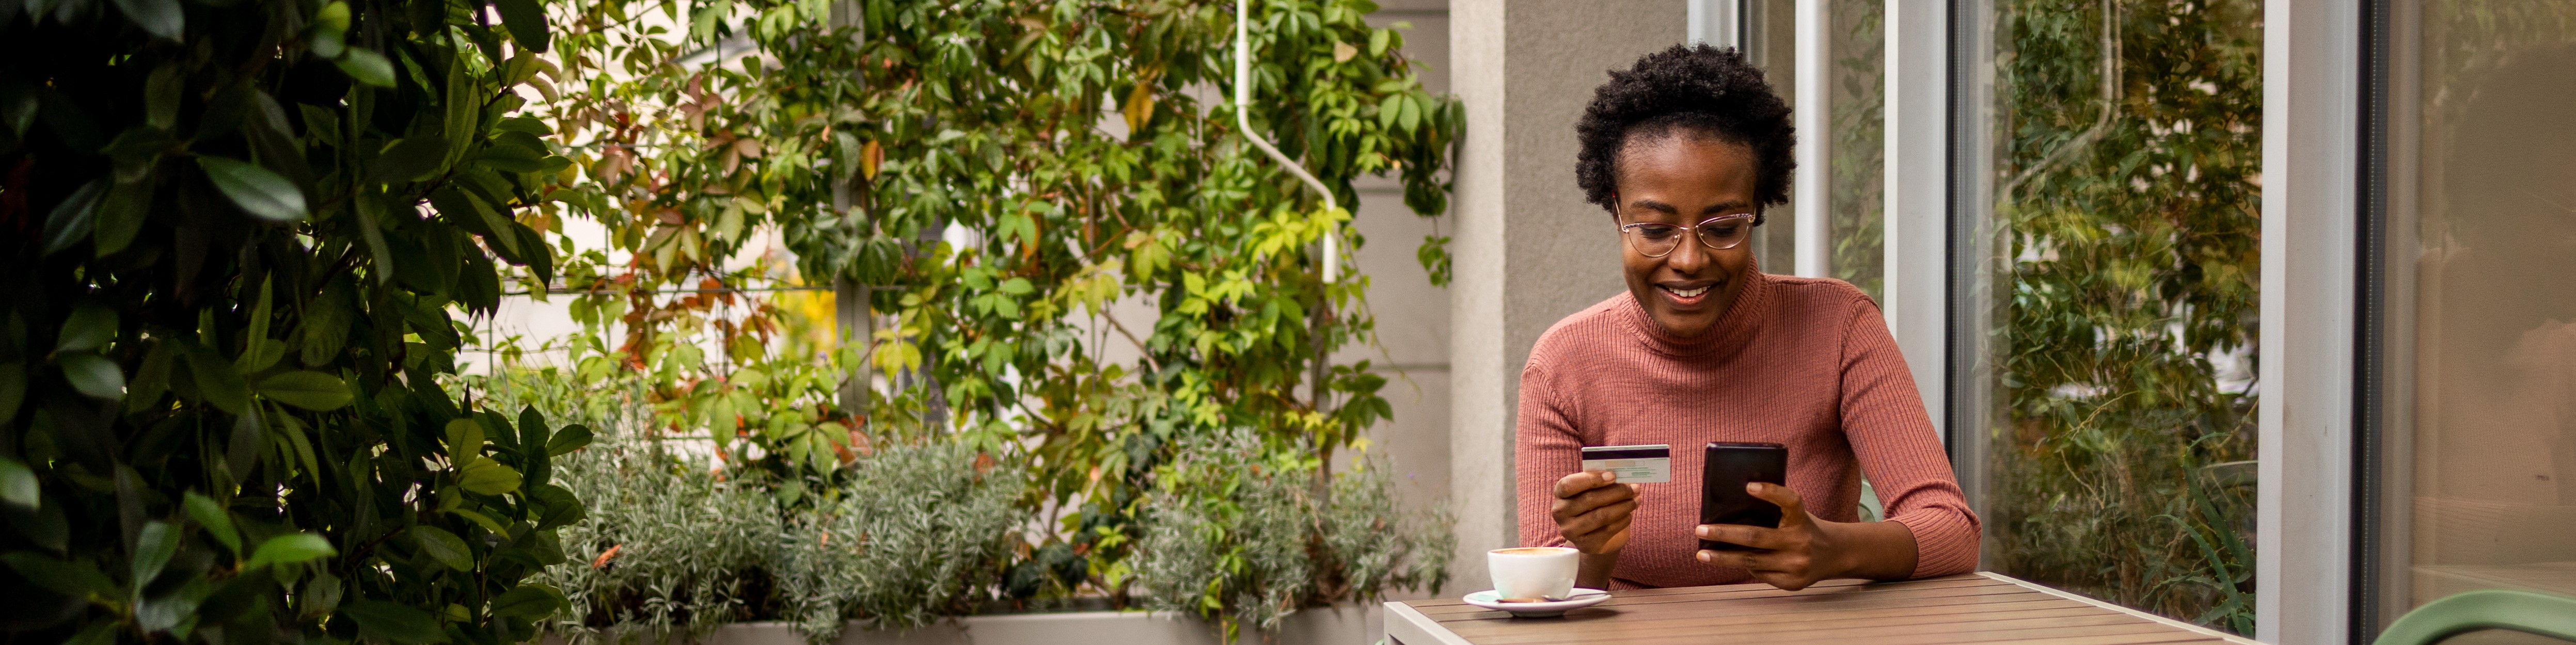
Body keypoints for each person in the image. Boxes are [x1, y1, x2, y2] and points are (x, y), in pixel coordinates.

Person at [1513, 43, 1980, 592]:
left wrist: (1832, 549)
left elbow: (1952, 528)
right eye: (1656, 229)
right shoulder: (1564, 363)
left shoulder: (1838, 325)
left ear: (1758, 207)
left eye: (1723, 225)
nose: (1689, 260)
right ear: (1616, 210)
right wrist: (1592, 554)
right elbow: (1542, 590)